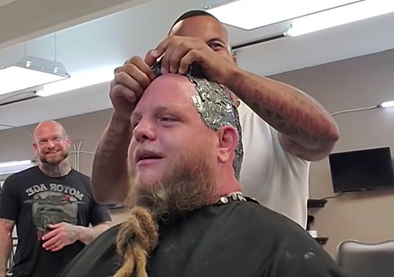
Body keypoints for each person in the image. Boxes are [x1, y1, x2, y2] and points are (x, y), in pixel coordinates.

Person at [10, 71, 380, 277]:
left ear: (224, 142)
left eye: (166, 118)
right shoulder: (117, 245)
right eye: (137, 121)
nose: (140, 131)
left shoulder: (283, 257)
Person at [91, 10, 340, 227]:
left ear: (233, 61)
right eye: (182, 45)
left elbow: (324, 136)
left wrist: (231, 76)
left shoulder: (268, 122)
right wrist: (123, 116)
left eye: (214, 46)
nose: (195, 53)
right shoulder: (157, 132)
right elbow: (108, 192)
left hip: (271, 272)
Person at [0, 120, 113, 277]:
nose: (50, 145)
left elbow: (106, 231)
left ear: (67, 142)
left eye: (55, 138)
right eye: (43, 141)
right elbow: (2, 232)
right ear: (35, 148)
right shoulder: (16, 183)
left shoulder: (89, 185)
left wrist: (78, 232)